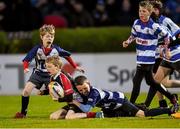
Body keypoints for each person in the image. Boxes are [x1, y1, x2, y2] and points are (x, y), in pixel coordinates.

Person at [15, 24, 84, 118]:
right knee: (26, 91)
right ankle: (23, 113)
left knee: (65, 94)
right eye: (47, 36)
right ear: (41, 37)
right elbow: (27, 59)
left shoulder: (56, 49)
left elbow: (67, 56)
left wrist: (75, 66)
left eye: (52, 36)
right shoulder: (37, 49)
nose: (50, 38)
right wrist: (26, 67)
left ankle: (74, 109)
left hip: (51, 75)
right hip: (38, 74)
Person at [122, 0, 178, 110]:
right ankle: (172, 98)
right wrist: (127, 41)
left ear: (149, 12)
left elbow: (168, 36)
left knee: (136, 80)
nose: (141, 13)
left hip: (148, 58)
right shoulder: (136, 23)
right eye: (140, 11)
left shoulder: (154, 26)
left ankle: (129, 107)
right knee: (152, 82)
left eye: (144, 11)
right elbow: (133, 35)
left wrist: (167, 50)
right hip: (140, 57)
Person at [71, 75, 179, 118]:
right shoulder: (83, 91)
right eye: (81, 90)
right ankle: (137, 107)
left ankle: (169, 110)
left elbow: (86, 109)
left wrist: (73, 101)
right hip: (111, 106)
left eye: (85, 88)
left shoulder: (94, 93)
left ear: (89, 84)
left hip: (120, 101)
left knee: (142, 114)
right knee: (107, 115)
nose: (83, 91)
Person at [143, 0, 180, 108]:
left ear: (158, 10)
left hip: (175, 54)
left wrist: (169, 45)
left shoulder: (166, 21)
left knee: (159, 81)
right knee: (156, 81)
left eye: (153, 9)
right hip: (166, 57)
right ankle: (148, 105)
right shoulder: (151, 24)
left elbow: (177, 33)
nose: (150, 12)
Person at [45, 56, 104, 120]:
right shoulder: (53, 77)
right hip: (71, 103)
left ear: (56, 67)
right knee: (53, 117)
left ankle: (95, 114)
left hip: (79, 103)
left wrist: (59, 99)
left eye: (49, 67)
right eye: (46, 67)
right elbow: (53, 89)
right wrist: (43, 92)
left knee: (69, 117)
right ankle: (77, 115)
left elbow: (70, 97)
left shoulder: (63, 77)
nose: (47, 69)